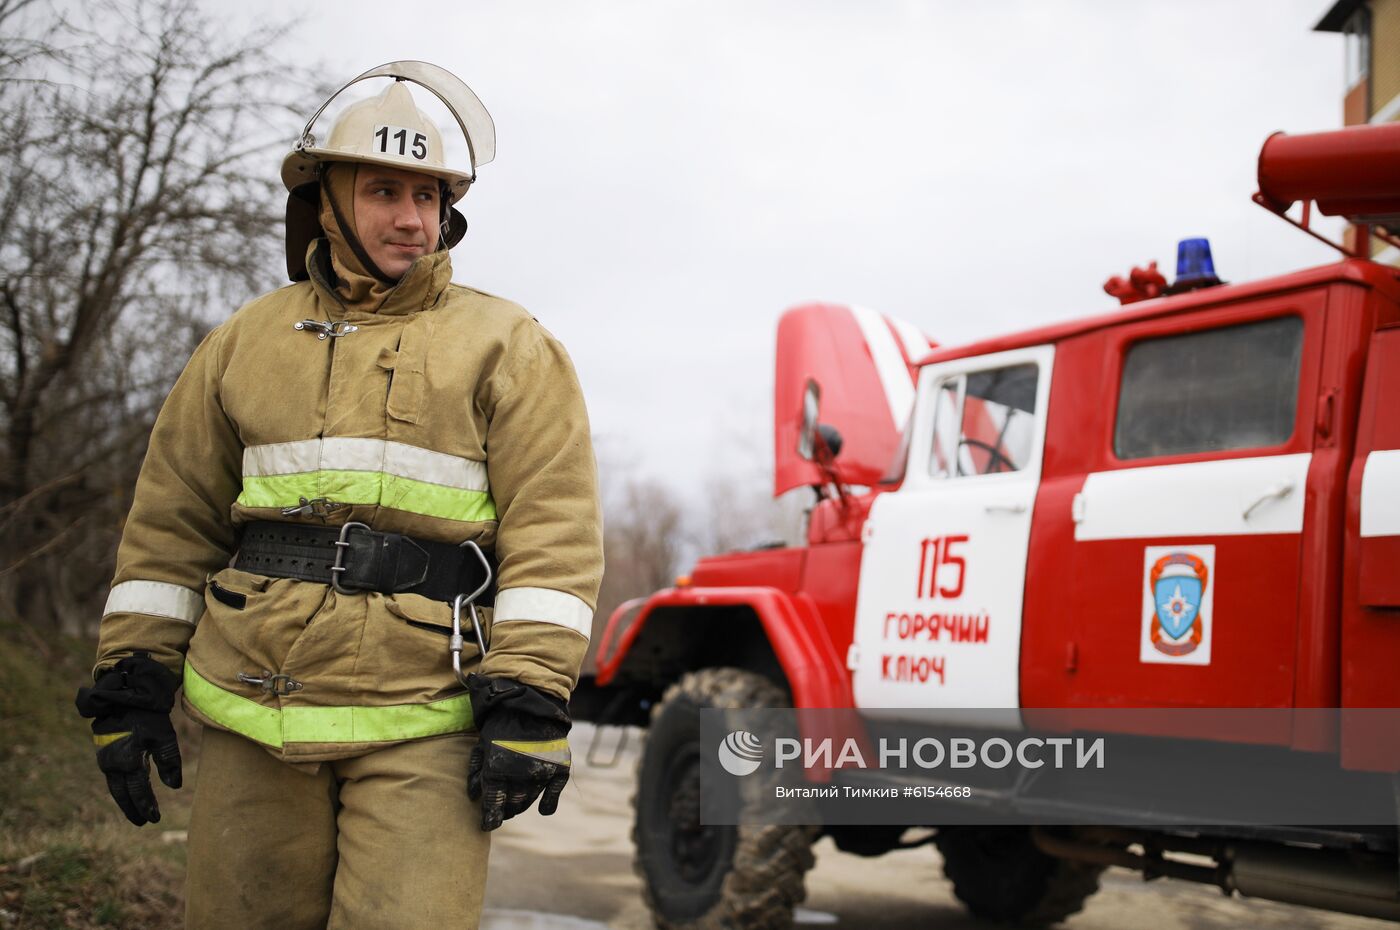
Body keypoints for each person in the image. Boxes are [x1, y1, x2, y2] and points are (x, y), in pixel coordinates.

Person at [74, 61, 603, 929]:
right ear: (327, 200)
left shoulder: (509, 344)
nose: (410, 218)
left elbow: (557, 535)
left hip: (424, 710)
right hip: (250, 706)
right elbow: (171, 524)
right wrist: (132, 676)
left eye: (429, 196)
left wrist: (531, 695)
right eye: (384, 190)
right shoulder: (244, 341)